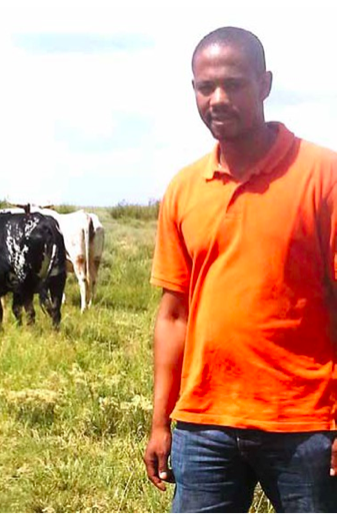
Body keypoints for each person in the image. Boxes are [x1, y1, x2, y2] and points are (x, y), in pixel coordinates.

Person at [144, 26, 337, 513]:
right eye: (204, 87)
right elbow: (173, 315)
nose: (218, 99)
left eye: (234, 83)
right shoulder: (185, 189)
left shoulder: (321, 175)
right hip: (203, 424)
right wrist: (161, 421)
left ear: (266, 83)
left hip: (305, 424)